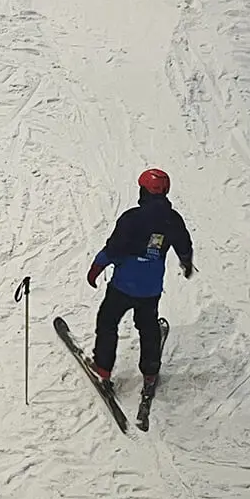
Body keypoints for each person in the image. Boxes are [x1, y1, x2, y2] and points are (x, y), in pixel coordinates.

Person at [86, 168, 193, 398]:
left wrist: (96, 268)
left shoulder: (131, 218)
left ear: (143, 191)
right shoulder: (172, 220)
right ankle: (150, 373)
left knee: (108, 321)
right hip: (150, 290)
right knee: (148, 328)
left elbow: (114, 249)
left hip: (123, 287)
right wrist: (186, 262)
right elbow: (184, 245)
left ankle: (102, 368)